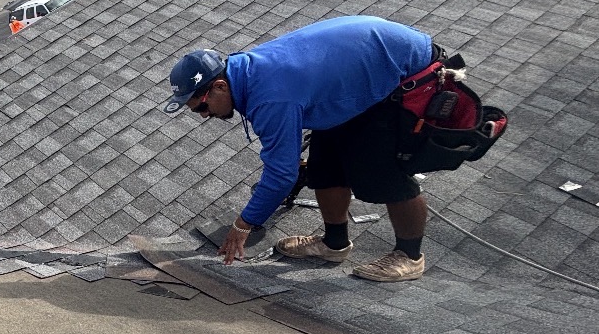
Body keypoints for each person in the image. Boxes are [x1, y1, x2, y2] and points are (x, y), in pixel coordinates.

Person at [164, 15, 440, 282]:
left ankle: (410, 256)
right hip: (367, 62)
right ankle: (334, 244)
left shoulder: (270, 97)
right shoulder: (244, 71)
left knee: (383, 167)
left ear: (220, 86)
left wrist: (243, 224)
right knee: (325, 160)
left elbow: (282, 174)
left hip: (406, 71)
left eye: (201, 107)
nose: (204, 115)